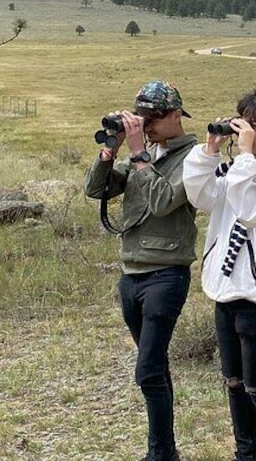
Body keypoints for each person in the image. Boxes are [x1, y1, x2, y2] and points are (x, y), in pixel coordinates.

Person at [84, 81, 198, 461]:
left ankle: (159, 454)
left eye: (154, 118)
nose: (146, 126)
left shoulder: (193, 157)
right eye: (141, 118)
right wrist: (110, 149)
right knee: (155, 368)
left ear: (176, 115)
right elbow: (96, 189)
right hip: (131, 271)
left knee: (147, 369)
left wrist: (137, 154)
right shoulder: (145, 154)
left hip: (166, 272)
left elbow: (165, 201)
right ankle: (165, 451)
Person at [182, 85, 256, 461]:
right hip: (226, 288)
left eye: (255, 124)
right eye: (245, 123)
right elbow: (202, 196)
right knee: (234, 381)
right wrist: (209, 150)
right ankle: (245, 453)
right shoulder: (236, 170)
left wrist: (246, 157)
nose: (247, 131)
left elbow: (254, 210)